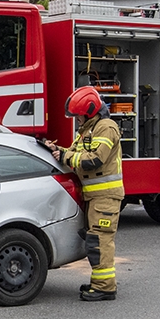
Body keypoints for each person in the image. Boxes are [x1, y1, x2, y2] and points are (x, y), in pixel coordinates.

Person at [46, 87, 124, 302]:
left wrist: (64, 155)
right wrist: (56, 150)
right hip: (95, 198)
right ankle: (100, 283)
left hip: (105, 198)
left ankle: (105, 287)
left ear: (88, 112)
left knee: (100, 241)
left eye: (77, 115)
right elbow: (76, 155)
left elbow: (92, 160)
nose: (76, 119)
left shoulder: (106, 128)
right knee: (94, 241)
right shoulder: (88, 131)